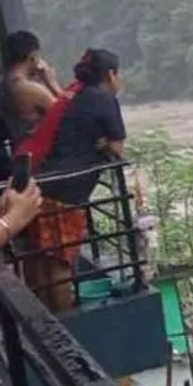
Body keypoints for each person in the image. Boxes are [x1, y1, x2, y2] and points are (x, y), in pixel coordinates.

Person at [25, 48, 125, 312]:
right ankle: (64, 326)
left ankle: (45, 320)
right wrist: (102, 143)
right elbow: (117, 148)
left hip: (42, 184)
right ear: (111, 75)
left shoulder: (76, 92)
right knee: (60, 263)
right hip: (65, 192)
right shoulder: (104, 98)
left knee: (43, 261)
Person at [0, 30, 62, 146]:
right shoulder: (29, 89)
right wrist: (52, 83)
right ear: (32, 56)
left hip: (21, 149)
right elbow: (68, 115)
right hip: (43, 152)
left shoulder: (4, 84)